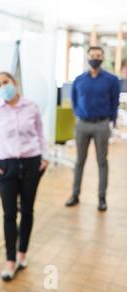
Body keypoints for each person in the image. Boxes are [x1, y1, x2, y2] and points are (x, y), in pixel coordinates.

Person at [0, 71, 48, 281]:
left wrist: (45, 158)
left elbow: (41, 133)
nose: (3, 86)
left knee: (28, 210)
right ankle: (10, 260)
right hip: (6, 166)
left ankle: (22, 253)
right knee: (9, 213)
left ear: (15, 83)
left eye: (5, 82)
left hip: (32, 162)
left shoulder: (31, 106)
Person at [65, 46, 120, 211]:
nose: (95, 58)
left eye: (98, 55)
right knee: (79, 162)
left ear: (103, 58)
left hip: (102, 125)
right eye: (92, 55)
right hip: (82, 124)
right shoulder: (79, 79)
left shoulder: (111, 80)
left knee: (102, 162)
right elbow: (74, 100)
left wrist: (111, 122)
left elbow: (114, 102)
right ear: (87, 57)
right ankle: (75, 194)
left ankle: (102, 198)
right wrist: (79, 115)